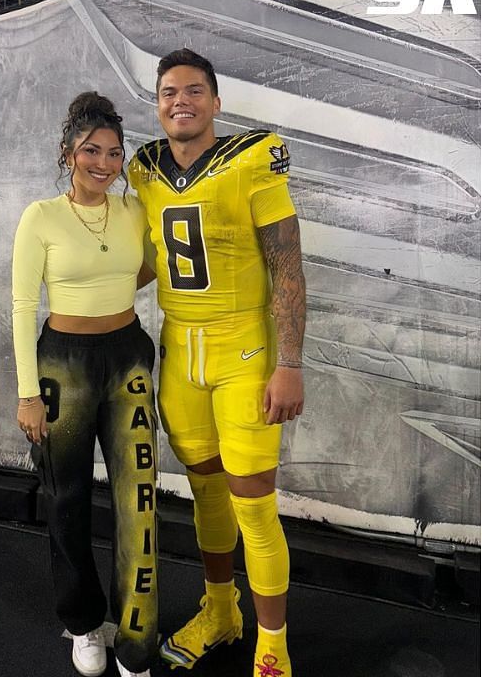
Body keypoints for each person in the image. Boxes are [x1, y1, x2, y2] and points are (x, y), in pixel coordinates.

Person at [128, 48, 303, 677]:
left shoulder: (253, 160)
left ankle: (273, 646)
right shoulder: (143, 168)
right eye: (170, 91)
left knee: (253, 502)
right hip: (181, 352)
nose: (182, 101)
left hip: (244, 352)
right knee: (205, 494)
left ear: (216, 102)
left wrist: (290, 362)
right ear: (157, 102)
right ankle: (222, 610)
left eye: (195, 91)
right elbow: (153, 257)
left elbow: (286, 264)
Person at [12, 92, 157, 677]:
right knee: (67, 498)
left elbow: (149, 264)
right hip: (61, 366)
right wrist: (27, 391)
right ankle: (81, 622)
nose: (104, 163)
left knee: (138, 502)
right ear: (68, 152)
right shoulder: (40, 216)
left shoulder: (133, 210)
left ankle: (137, 638)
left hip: (128, 357)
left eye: (114, 153)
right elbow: (24, 305)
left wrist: (116, 288)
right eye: (91, 150)